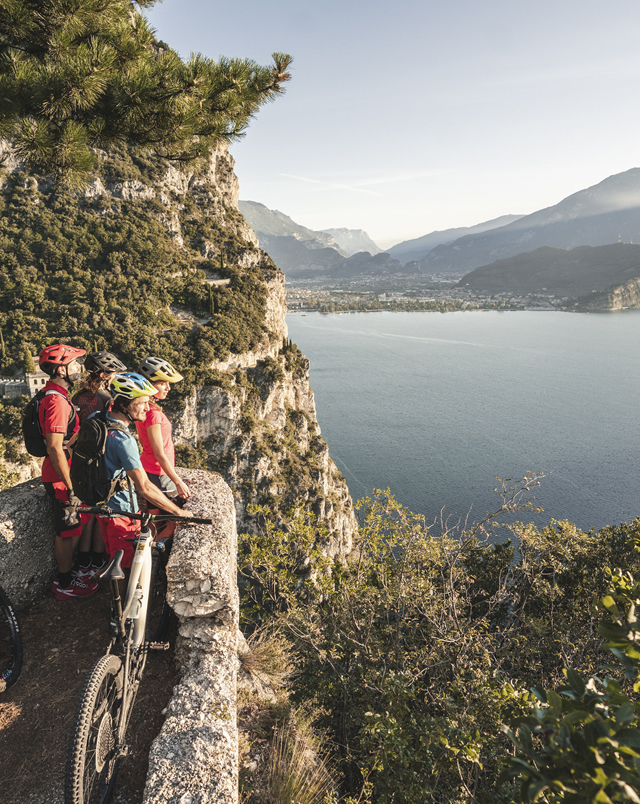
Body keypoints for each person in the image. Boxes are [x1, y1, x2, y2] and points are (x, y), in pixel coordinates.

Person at [98, 372, 191, 573]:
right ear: (125, 404)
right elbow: (144, 487)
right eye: (142, 403)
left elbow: (71, 447)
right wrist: (178, 512)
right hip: (121, 511)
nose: (147, 408)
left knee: (112, 560)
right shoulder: (124, 441)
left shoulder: (96, 421)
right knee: (123, 569)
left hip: (100, 505)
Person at [37, 344, 98, 600]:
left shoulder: (56, 395)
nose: (79, 368)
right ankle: (63, 584)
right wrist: (71, 486)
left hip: (65, 474)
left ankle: (68, 576)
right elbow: (54, 446)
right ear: (61, 369)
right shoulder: (56, 401)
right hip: (61, 477)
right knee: (67, 532)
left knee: (74, 527)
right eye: (75, 364)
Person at [72, 351, 127, 581]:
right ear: (103, 374)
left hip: (79, 457)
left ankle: (83, 562)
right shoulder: (106, 399)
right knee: (99, 513)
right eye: (112, 373)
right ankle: (97, 560)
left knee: (86, 515)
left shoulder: (77, 397)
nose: (114, 377)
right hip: (99, 460)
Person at [135, 357, 191, 526]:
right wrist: (178, 482)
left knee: (155, 521)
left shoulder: (142, 408)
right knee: (173, 523)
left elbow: (146, 443)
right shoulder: (153, 414)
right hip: (159, 474)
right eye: (163, 383)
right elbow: (159, 452)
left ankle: (149, 543)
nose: (168, 388)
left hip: (148, 469)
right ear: (150, 385)